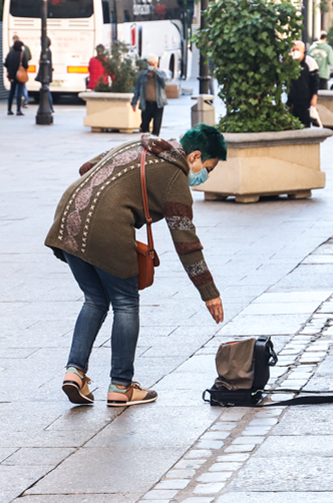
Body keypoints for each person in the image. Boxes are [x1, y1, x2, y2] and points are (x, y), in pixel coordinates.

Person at [45, 125, 227, 407]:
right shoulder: (174, 178)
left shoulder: (139, 145)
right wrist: (209, 292)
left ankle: (75, 373)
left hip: (69, 217)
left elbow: (86, 167)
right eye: (209, 167)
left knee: (94, 300)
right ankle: (121, 386)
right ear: (195, 156)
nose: (205, 175)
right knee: (125, 302)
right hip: (107, 229)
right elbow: (186, 242)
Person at [131, 54, 168, 135]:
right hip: (146, 103)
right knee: (144, 126)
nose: (150, 66)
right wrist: (134, 102)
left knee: (156, 127)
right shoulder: (143, 75)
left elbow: (164, 83)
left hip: (158, 104)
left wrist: (156, 72)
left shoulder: (161, 74)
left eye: (152, 64)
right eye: (149, 64)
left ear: (156, 64)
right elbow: (137, 89)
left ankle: (154, 143)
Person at [287, 40, 320, 128]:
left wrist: (314, 96)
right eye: (293, 49)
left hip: (305, 98)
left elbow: (315, 81)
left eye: (298, 49)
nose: (295, 51)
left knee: (305, 122)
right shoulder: (289, 62)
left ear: (303, 49)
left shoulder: (310, 62)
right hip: (291, 98)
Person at [4, 40, 26, 116]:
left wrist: (9, 70)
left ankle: (9, 109)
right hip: (20, 76)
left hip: (12, 75)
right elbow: (25, 65)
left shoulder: (10, 54)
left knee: (11, 92)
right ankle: (18, 110)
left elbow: (6, 64)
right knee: (19, 92)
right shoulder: (22, 54)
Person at [12, 33, 33, 108]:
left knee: (16, 86)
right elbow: (30, 57)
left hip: (15, 69)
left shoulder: (12, 48)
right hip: (23, 69)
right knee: (23, 85)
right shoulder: (26, 47)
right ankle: (25, 99)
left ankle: (20, 98)